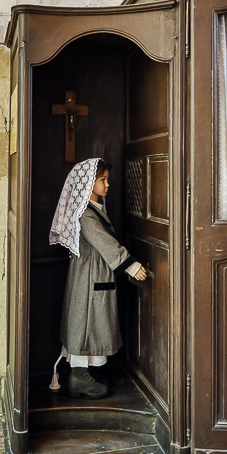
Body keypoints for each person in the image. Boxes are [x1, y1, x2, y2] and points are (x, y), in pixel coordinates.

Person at [49, 158, 147, 399]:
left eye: (106, 179)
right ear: (88, 183)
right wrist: (129, 264)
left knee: (89, 324)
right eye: (102, 180)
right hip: (89, 277)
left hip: (92, 274)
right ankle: (79, 376)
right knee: (86, 324)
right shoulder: (85, 213)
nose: (107, 184)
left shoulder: (93, 207)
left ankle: (84, 374)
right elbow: (103, 242)